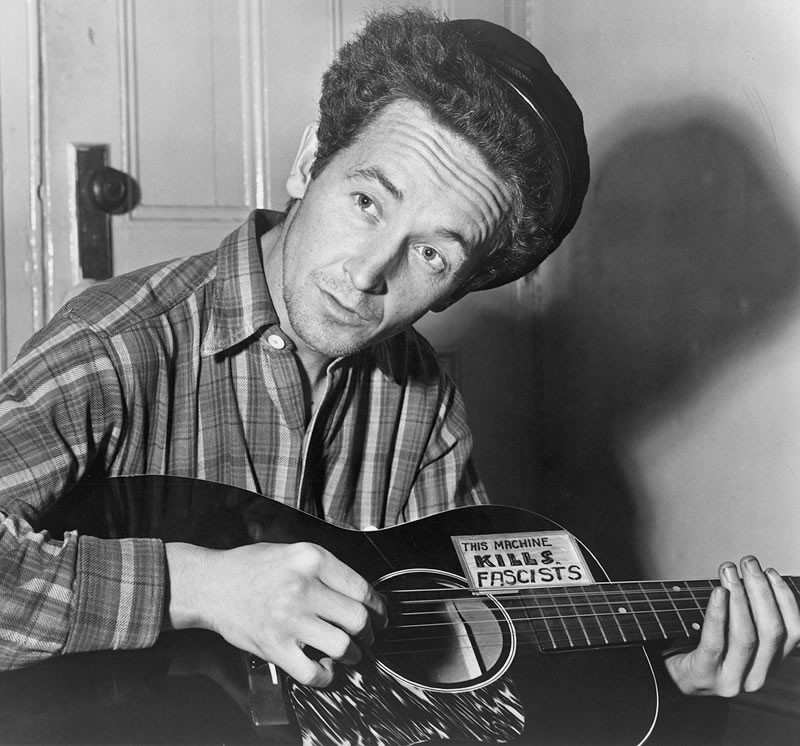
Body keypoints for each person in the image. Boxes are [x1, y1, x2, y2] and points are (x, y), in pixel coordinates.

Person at [0, 7, 797, 705]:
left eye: (434, 256)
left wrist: (667, 677)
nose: (369, 270)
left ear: (462, 287)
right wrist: (195, 585)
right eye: (367, 201)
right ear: (311, 159)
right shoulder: (117, 345)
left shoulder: (423, 398)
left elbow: (466, 643)